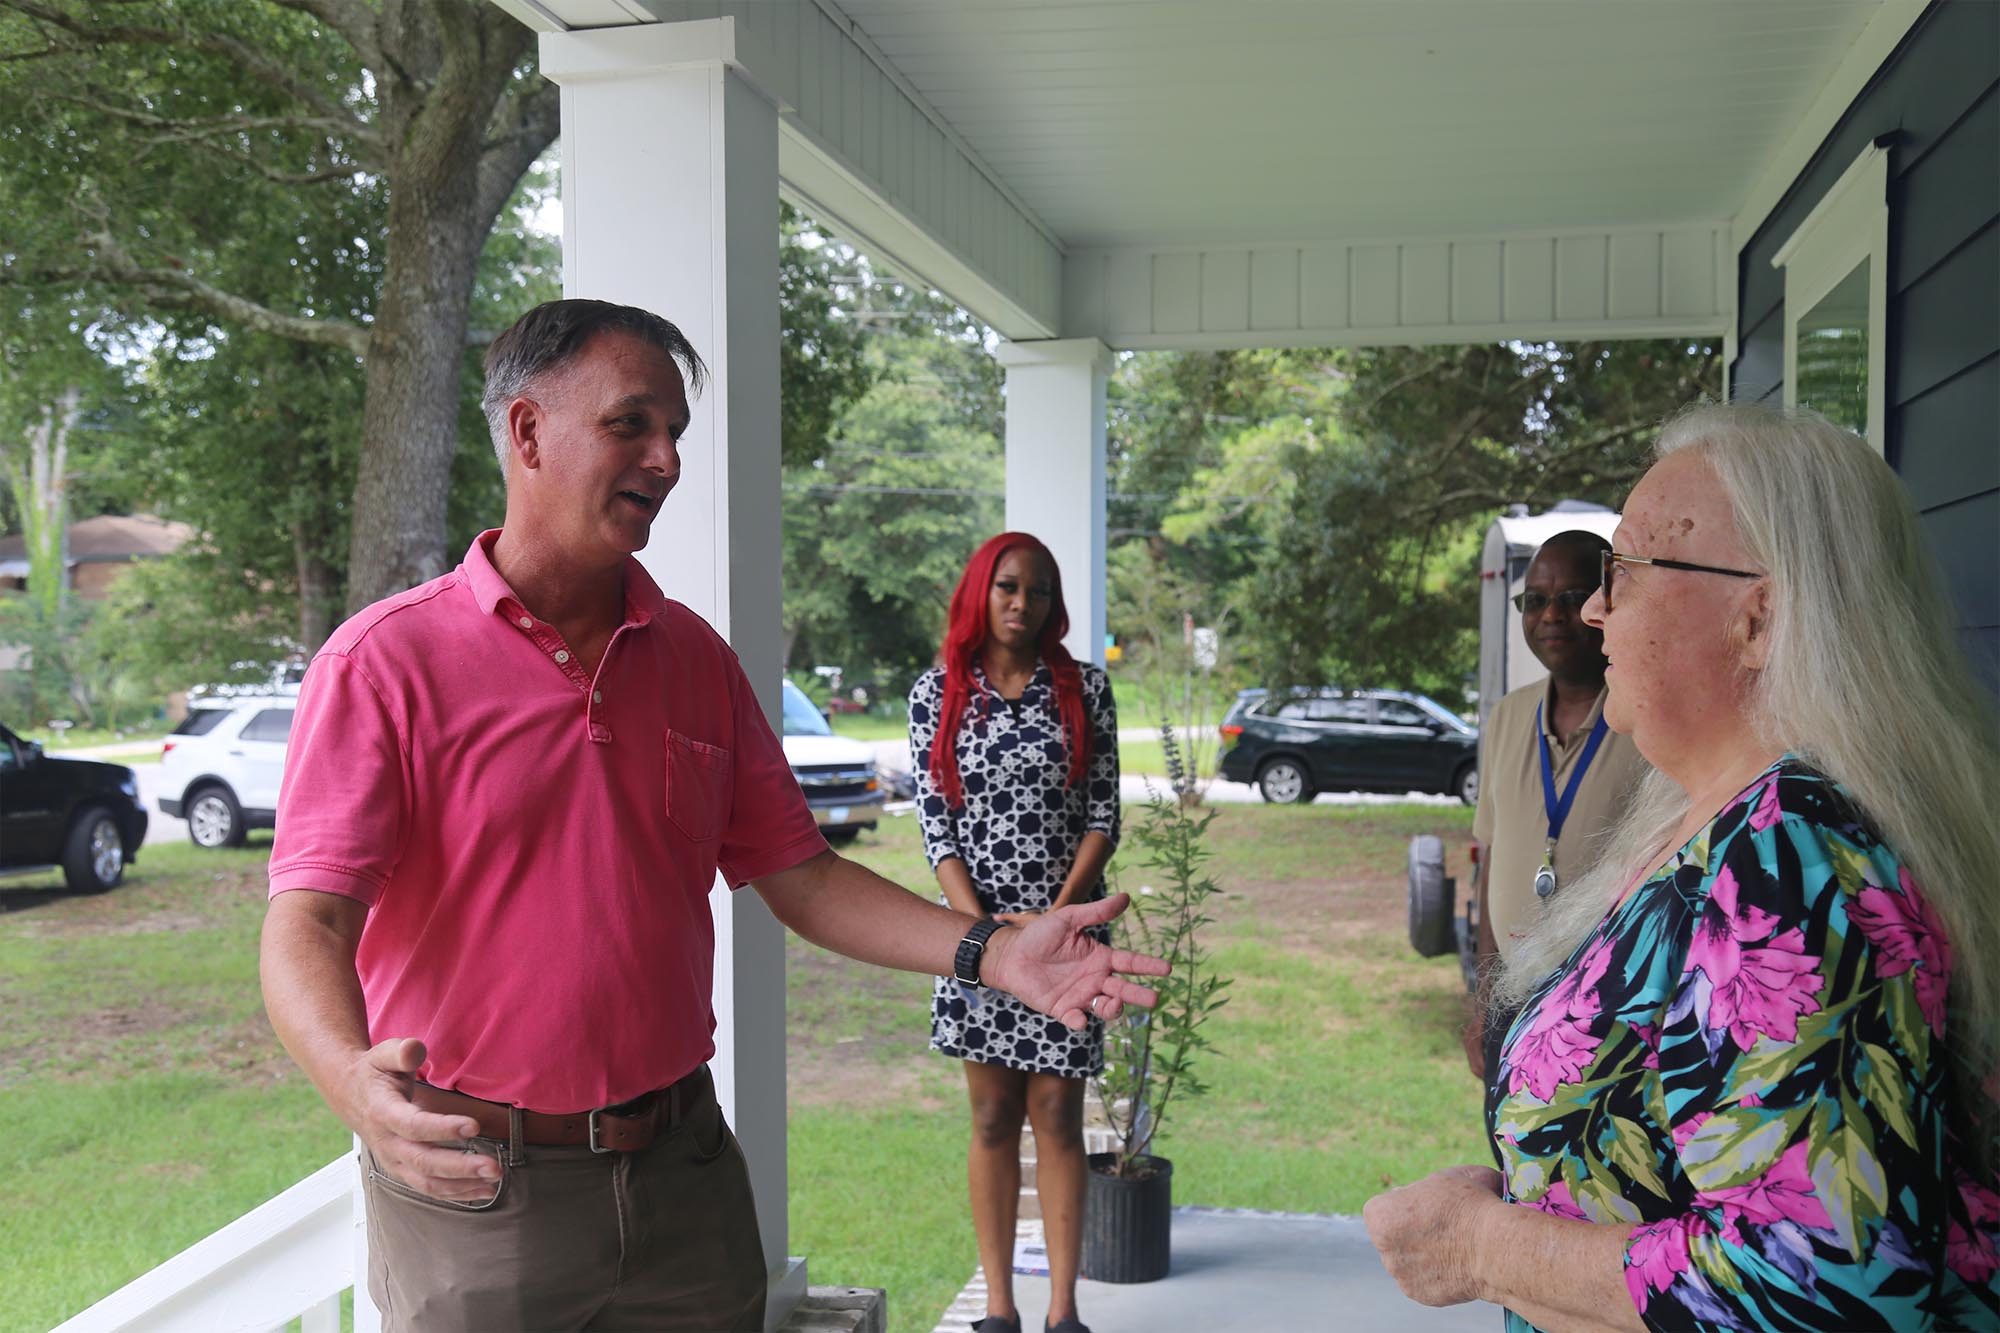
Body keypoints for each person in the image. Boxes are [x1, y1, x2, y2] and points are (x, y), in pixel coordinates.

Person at [258, 299, 1167, 1333]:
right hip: (478, 1189)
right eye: (631, 424)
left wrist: (994, 953)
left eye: (675, 434)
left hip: (685, 1174)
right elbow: (309, 919)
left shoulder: (693, 659)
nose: (667, 459)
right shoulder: (385, 663)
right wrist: (347, 1080)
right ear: (525, 432)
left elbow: (803, 874)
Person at [1365, 403, 2000, 1330]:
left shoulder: (1799, 858)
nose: (1590, 606)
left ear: (1759, 619)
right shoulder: (1708, 815)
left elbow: (1823, 1288)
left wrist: (1484, 1246)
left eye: (1625, 568)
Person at [907, 533, 1121, 1333]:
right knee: (994, 1117)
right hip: (975, 940)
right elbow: (938, 828)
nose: (1020, 603)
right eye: (1006, 586)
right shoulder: (938, 693)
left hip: (1067, 943)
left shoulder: (1083, 688)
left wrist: (1059, 915)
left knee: (1059, 1119)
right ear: (980, 591)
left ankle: (1063, 1310)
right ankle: (1000, 1308)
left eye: (1036, 590)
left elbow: (1104, 812)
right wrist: (988, 932)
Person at [1464, 531, 1651, 1145]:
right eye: (1534, 600)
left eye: (1573, 596)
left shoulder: (1651, 721)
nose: (1551, 615)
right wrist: (1482, 1000)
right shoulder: (1508, 716)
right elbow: (1491, 859)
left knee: (1592, 1172)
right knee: (1513, 1161)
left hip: (1609, 1008)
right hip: (1513, 1001)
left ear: (1611, 599)